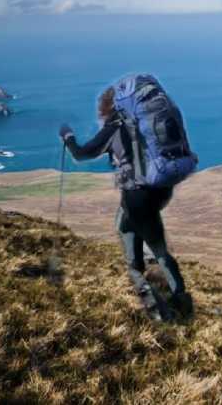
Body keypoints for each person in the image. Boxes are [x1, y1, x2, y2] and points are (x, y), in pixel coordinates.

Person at [58, 85, 193, 321]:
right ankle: (154, 282)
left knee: (153, 246)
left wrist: (68, 137)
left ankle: (169, 307)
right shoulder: (142, 124)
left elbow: (81, 154)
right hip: (160, 189)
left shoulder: (115, 127)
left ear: (107, 108)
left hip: (137, 196)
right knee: (128, 225)